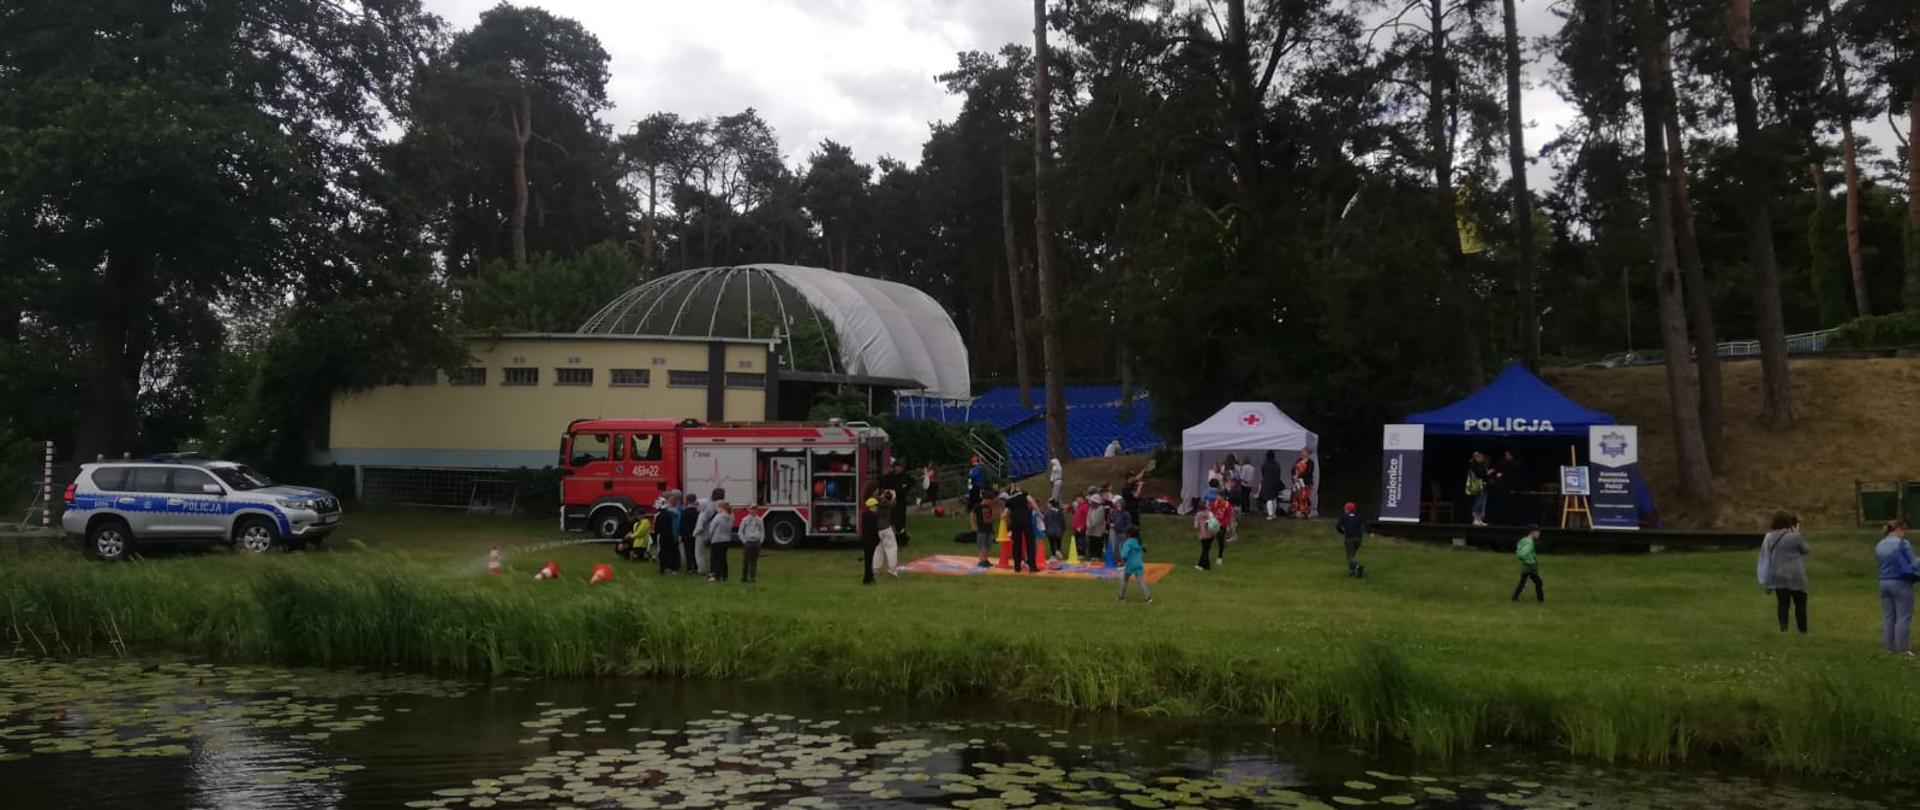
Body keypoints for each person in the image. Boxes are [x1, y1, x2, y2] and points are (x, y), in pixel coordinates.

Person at [1875, 520, 1920, 656]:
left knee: (1888, 616)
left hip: (1884, 582)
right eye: (1904, 530)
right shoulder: (1902, 543)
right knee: (1903, 616)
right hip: (1901, 582)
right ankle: (1903, 649)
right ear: (1899, 529)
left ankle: (1889, 647)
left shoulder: (1880, 544)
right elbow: (1913, 563)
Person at [1762, 511, 1810, 634]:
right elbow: (1805, 550)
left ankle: (1784, 629)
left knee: (1783, 603)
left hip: (1779, 575)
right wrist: (1797, 533)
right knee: (1800, 605)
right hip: (1796, 575)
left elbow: (1766, 556)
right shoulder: (1795, 537)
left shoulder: (1769, 537)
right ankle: (1802, 630)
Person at [1004, 486, 1039, 573]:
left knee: (1016, 543)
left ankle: (1017, 567)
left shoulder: (1009, 500)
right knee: (1030, 542)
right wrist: (1039, 513)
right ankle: (1032, 566)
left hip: (1015, 521)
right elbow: (1032, 502)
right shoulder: (1024, 494)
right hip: (1026, 519)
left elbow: (1005, 513)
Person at [1116, 526, 1152, 603]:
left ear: (1128, 534)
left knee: (1125, 580)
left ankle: (1121, 597)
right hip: (1139, 564)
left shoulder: (1128, 543)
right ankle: (1148, 598)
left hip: (1130, 564)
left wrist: (1123, 561)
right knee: (1141, 581)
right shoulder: (1138, 541)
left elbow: (1124, 554)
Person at [693, 487, 724, 576]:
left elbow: (702, 519)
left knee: (699, 553)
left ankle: (702, 569)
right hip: (714, 532)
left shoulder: (707, 504)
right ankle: (716, 569)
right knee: (715, 553)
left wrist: (696, 532)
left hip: (703, 531)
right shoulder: (721, 506)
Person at [1512, 525, 1544, 602]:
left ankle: (1540, 599)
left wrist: (1522, 557)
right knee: (1536, 582)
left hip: (1528, 565)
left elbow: (1518, 550)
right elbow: (1523, 553)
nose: (1539, 534)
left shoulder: (1524, 540)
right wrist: (1527, 559)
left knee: (1534, 582)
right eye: (1538, 532)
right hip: (1529, 565)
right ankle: (1515, 598)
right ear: (1533, 532)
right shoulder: (1529, 542)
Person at [875, 490, 902, 578]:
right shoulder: (887, 504)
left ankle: (876, 568)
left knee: (879, 549)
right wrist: (893, 494)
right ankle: (892, 568)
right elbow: (893, 502)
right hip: (886, 528)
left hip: (877, 529)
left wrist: (883, 495)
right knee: (892, 547)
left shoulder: (877, 502)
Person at [655, 491, 683, 574]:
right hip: (671, 535)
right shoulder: (674, 514)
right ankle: (673, 567)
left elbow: (657, 528)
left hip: (664, 536)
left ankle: (664, 567)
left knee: (664, 552)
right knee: (673, 552)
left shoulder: (660, 515)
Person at [1335, 502, 1365, 578]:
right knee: (1353, 554)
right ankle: (1352, 571)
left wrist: (1342, 532)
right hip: (1358, 538)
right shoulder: (1358, 517)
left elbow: (1338, 526)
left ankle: (1357, 566)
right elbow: (1362, 527)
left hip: (1350, 538)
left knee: (1350, 556)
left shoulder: (1344, 517)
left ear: (1347, 509)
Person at [706, 500, 733, 582]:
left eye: (716, 507)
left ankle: (716, 576)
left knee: (715, 559)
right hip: (726, 539)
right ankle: (724, 576)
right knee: (723, 558)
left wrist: (709, 537)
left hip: (717, 540)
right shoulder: (729, 517)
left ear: (721, 507)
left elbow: (712, 528)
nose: (716, 509)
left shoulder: (718, 517)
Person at [1207, 488, 1234, 565]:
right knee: (1209, 540)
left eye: (1218, 496)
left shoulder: (1227, 505)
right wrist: (1211, 520)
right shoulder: (1214, 504)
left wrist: (1224, 524)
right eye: (1216, 495)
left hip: (1222, 526)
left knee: (1220, 542)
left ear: (1222, 496)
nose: (1216, 497)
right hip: (1213, 524)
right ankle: (1206, 555)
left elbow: (1228, 516)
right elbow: (1210, 512)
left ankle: (1220, 557)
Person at [738, 508, 765, 584]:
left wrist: (761, 540)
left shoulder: (759, 520)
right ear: (749, 510)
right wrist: (744, 541)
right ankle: (744, 577)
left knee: (754, 561)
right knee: (746, 561)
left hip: (756, 542)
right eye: (752, 509)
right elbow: (740, 531)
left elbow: (762, 530)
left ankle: (752, 577)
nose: (753, 511)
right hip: (748, 542)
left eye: (755, 509)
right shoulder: (745, 519)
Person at [970, 491, 996, 569]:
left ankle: (985, 559)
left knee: (988, 545)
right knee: (982, 545)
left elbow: (991, 518)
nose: (991, 502)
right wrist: (973, 525)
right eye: (990, 501)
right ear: (986, 499)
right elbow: (972, 515)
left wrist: (993, 529)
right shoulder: (978, 506)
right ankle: (982, 560)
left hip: (989, 528)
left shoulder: (989, 507)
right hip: (981, 528)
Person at [1086, 487, 1110, 566]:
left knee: (1098, 544)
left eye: (1092, 502)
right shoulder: (1090, 509)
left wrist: (1092, 524)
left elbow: (1098, 520)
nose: (1091, 503)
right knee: (1091, 543)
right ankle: (1092, 556)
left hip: (1098, 531)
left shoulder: (1101, 509)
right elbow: (1088, 517)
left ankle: (1097, 557)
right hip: (1090, 530)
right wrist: (1089, 525)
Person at [861, 497, 883, 585]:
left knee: (867, 560)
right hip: (871, 541)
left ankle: (868, 576)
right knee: (869, 560)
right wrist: (877, 538)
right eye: (876, 506)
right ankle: (868, 577)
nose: (877, 508)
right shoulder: (873, 516)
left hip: (865, 540)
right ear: (872, 506)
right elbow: (874, 529)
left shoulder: (864, 515)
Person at [1192, 496, 1217, 571]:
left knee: (1205, 550)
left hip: (1202, 534)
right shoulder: (1210, 514)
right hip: (1211, 534)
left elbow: (1196, 526)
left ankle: (1202, 565)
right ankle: (1205, 565)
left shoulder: (1198, 515)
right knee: (1206, 550)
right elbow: (1214, 523)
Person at [1108, 493, 1134, 566]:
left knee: (1123, 547)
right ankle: (1117, 560)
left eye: (1118, 504)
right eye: (1116, 504)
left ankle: (1125, 561)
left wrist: (1126, 531)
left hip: (1123, 533)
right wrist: (1112, 524)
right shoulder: (1115, 512)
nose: (1117, 505)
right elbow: (1113, 521)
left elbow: (1129, 524)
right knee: (1115, 546)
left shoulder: (1126, 513)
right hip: (1116, 531)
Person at [678, 493, 701, 574]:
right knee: (696, 550)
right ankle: (696, 566)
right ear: (695, 500)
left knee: (688, 551)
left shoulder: (684, 512)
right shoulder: (697, 512)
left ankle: (689, 567)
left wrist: (680, 534)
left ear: (687, 501)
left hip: (686, 534)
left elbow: (681, 524)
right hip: (695, 534)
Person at [1466, 452, 1490, 526]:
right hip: (1478, 485)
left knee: (1483, 503)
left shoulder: (1482, 465)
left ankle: (1479, 519)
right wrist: (1487, 473)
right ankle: (1475, 519)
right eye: (1480, 457)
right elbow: (1479, 475)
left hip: (1484, 485)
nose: (1482, 458)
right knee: (1478, 502)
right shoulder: (1474, 465)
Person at [1291, 448, 1316, 519]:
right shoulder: (1298, 461)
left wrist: (1299, 475)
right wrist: (1294, 476)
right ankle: (1297, 511)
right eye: (1302, 452)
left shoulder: (1311, 462)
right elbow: (1293, 469)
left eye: (1304, 452)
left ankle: (1306, 512)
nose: (1302, 453)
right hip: (1297, 482)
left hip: (1306, 483)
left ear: (1308, 453)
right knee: (1297, 497)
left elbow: (1309, 472)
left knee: (1305, 497)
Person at [1259, 450, 1284, 520]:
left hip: (1267, 483)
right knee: (1274, 498)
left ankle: (1270, 514)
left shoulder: (1265, 464)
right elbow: (1279, 473)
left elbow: (1263, 473)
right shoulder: (1276, 464)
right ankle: (1274, 514)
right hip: (1275, 483)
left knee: (1269, 499)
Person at [1071, 494, 1090, 560]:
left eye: (1077, 498)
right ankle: (1078, 553)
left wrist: (1082, 526)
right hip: (1076, 527)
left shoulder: (1085, 506)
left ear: (1081, 498)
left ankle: (1082, 554)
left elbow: (1086, 517)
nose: (1077, 500)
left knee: (1081, 541)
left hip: (1081, 527)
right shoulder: (1079, 506)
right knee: (1077, 540)